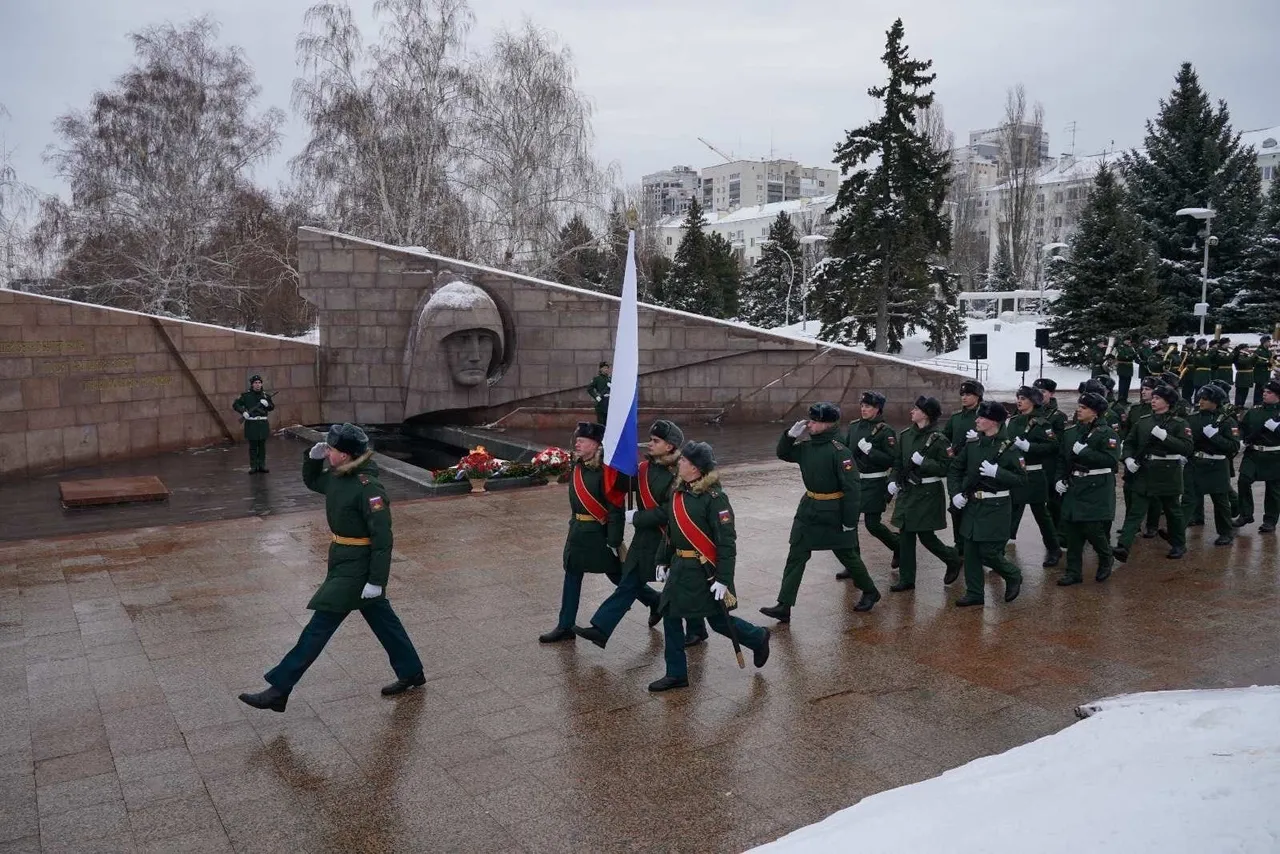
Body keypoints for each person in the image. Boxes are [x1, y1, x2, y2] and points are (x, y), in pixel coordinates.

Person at [238, 424, 425, 712]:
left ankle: (279, 689)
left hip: (358, 566)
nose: (328, 453)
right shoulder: (339, 477)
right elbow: (313, 482)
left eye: (332, 450)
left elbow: (383, 539)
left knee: (319, 626)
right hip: (341, 557)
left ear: (346, 455)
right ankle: (411, 671)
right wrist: (311, 460)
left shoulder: (369, 488)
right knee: (383, 620)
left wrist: (376, 579)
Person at [648, 441, 771, 692]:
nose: (678, 463)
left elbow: (726, 543)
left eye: (683, 461)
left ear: (695, 468)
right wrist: (662, 559)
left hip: (704, 571)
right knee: (670, 615)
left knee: (717, 620)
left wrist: (723, 578)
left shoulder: (715, 499)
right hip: (680, 566)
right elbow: (671, 532)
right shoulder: (678, 493)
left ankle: (757, 637)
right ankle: (676, 673)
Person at [574, 420, 708, 647]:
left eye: (656, 441)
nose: (651, 443)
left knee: (679, 586)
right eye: (651, 439)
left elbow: (670, 511)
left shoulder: (679, 474)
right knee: (628, 583)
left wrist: (636, 517)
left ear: (670, 446)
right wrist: (614, 459)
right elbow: (623, 484)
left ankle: (697, 629)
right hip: (643, 540)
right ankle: (601, 629)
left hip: (666, 539)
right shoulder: (645, 468)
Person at [760, 402, 880, 623]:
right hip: (809, 508)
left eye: (815, 421)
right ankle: (784, 605)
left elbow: (852, 488)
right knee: (796, 553)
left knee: (847, 554)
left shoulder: (839, 451)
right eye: (811, 420)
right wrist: (789, 435)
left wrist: (849, 521)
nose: (810, 425)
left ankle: (870, 590)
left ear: (828, 424)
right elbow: (783, 453)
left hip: (833, 511)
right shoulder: (807, 447)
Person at [539, 422, 623, 643]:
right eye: (577, 439)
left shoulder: (605, 471)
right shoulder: (577, 466)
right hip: (578, 531)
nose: (577, 442)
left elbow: (615, 508)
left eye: (583, 440)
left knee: (618, 577)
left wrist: (614, 539)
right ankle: (565, 625)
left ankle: (654, 601)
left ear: (596, 445)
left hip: (598, 534)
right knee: (572, 573)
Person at [946, 400, 1025, 607]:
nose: (977, 420)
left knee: (988, 552)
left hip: (995, 507)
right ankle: (974, 593)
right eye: (978, 416)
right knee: (970, 550)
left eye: (982, 417)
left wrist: (997, 472)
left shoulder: (1007, 448)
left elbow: (1021, 479)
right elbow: (955, 469)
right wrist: (955, 494)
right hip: (972, 505)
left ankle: (1013, 574)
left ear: (994, 422)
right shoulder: (973, 444)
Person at [886, 396, 961, 591]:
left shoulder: (938, 439)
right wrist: (892, 481)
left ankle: (952, 559)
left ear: (926, 414)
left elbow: (948, 467)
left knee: (926, 536)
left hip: (927, 492)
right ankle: (907, 579)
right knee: (906, 535)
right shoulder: (905, 435)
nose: (912, 411)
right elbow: (897, 464)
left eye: (916, 409)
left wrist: (925, 463)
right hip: (908, 491)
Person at [1113, 384, 1194, 562]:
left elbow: (1187, 448)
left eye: (1158, 398)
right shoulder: (1143, 421)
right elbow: (1129, 443)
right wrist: (1127, 459)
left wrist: (1165, 437)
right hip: (1145, 471)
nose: (1153, 401)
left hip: (1168, 473)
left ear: (1168, 402)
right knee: (1136, 511)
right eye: (1154, 398)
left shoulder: (1179, 423)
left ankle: (1179, 544)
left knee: (1173, 510)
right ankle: (1123, 547)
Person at [1054, 392, 1122, 585]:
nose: (1079, 410)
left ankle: (1106, 556)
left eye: (1083, 408)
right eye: (1079, 406)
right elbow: (1062, 460)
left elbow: (1111, 460)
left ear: (1095, 413)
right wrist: (1059, 479)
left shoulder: (1107, 433)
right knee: (1072, 529)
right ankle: (1073, 572)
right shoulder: (1071, 433)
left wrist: (1086, 452)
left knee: (1092, 528)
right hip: (1075, 484)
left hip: (1096, 485)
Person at [1006, 385, 1062, 567]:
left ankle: (1054, 549)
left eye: (1023, 398)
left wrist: (1030, 447)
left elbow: (1053, 446)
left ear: (1032, 401)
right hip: (1016, 473)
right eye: (1018, 398)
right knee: (1011, 512)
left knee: (1041, 514)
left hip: (1034, 473)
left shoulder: (1042, 423)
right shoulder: (1013, 421)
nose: (1019, 401)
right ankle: (998, 554)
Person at [845, 391, 901, 567]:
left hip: (875, 482)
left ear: (877, 409)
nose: (863, 409)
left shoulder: (886, 431)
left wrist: (871, 452)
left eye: (868, 406)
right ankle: (854, 563)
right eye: (862, 406)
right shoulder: (854, 427)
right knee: (850, 524)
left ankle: (898, 546)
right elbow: (847, 453)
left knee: (872, 524)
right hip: (855, 482)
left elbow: (892, 459)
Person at [1183, 384, 1241, 546]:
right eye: (1200, 398)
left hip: (1217, 465)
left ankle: (1225, 533)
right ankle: (1176, 531)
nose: (1200, 401)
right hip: (1196, 463)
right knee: (1189, 498)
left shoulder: (1227, 421)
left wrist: (1214, 436)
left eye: (1205, 399)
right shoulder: (1192, 419)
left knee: (1221, 501)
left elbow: (1233, 447)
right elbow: (1187, 441)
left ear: (1215, 402)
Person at [942, 380, 985, 555]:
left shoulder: (984, 416)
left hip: (977, 470)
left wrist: (979, 438)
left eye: (968, 394)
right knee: (956, 507)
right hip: (958, 469)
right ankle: (959, 545)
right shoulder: (956, 418)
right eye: (963, 394)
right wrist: (949, 452)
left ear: (978, 396)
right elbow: (944, 439)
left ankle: (979, 545)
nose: (964, 397)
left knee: (977, 509)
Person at [1233, 379, 1280, 533]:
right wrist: (1240, 439)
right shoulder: (1255, 410)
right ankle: (1246, 514)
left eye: (1269, 392)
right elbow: (1242, 427)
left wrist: (1277, 429)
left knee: (1273, 490)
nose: (1264, 394)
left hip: (1274, 455)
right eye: (1264, 392)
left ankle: (1270, 521)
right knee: (1243, 481)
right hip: (1253, 453)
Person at [1033, 377, 1069, 527]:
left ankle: (1057, 533)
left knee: (1053, 502)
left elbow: (1057, 444)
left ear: (1051, 394)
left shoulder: (1058, 416)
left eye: (1043, 391)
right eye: (1036, 391)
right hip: (1030, 465)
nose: (1039, 394)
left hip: (1049, 464)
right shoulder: (1029, 412)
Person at [232, 375, 274, 473]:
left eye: (259, 382)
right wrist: (243, 412)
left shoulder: (265, 396)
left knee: (262, 446)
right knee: (253, 446)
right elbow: (236, 404)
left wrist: (267, 404)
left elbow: (272, 407)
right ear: (252, 384)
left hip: (263, 423)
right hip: (252, 424)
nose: (258, 385)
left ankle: (262, 465)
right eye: (255, 383)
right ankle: (254, 466)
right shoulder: (246, 396)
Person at [1231, 341, 1256, 409]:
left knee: (1245, 391)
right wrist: (1252, 357)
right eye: (1246, 348)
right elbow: (1244, 362)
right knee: (1240, 391)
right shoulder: (1239, 355)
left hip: (1248, 375)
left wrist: (1254, 358)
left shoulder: (1246, 355)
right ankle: (1238, 405)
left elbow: (1252, 363)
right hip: (1242, 375)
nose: (1247, 350)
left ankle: (1242, 404)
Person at [1252, 335, 1275, 407]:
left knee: (1264, 388)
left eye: (1269, 341)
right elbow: (1256, 361)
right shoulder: (1258, 351)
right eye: (1268, 341)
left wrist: (1271, 363)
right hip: (1260, 373)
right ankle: (1256, 403)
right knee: (1259, 389)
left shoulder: (1268, 351)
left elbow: (1271, 361)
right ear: (1264, 342)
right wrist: (1266, 363)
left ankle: (1262, 402)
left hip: (1266, 373)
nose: (1269, 343)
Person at [1114, 335, 1137, 402]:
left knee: (1127, 384)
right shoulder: (1120, 347)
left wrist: (1133, 356)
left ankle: (1125, 398)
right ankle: (1121, 398)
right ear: (1124, 340)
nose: (1128, 341)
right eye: (1127, 340)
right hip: (1123, 367)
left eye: (1129, 340)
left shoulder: (1131, 347)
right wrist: (1131, 356)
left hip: (1129, 368)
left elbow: (1134, 355)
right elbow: (1121, 356)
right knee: (1122, 384)